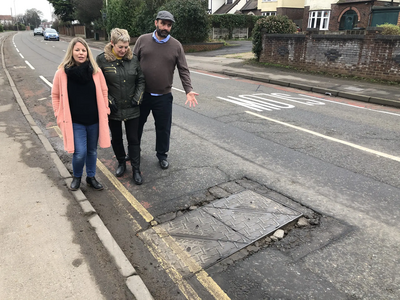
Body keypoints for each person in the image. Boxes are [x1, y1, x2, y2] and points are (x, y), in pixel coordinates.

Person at [133, 10, 198, 170]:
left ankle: (162, 155)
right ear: (156, 23)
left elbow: (183, 69)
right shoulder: (142, 40)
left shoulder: (176, 46)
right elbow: (132, 64)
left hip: (163, 96)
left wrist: (188, 89)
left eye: (169, 25)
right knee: (136, 125)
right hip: (142, 94)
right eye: (163, 23)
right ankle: (134, 152)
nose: (166, 27)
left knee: (163, 128)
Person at [52, 37, 111, 191]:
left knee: (92, 151)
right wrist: (58, 114)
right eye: (77, 50)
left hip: (94, 120)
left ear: (87, 52)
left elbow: (104, 91)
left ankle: (91, 177)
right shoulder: (62, 73)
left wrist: (105, 108)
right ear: (71, 51)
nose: (80, 53)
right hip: (75, 122)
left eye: (83, 50)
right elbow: (55, 95)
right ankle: (77, 176)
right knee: (80, 153)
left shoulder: (96, 72)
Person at [96, 28, 145, 185]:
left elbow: (141, 80)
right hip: (114, 108)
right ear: (112, 43)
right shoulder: (102, 60)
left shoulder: (134, 59)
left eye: (126, 46)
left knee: (134, 139)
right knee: (116, 138)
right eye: (120, 47)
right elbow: (98, 84)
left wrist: (138, 97)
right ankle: (121, 163)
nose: (124, 50)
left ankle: (136, 169)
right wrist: (108, 100)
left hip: (132, 107)